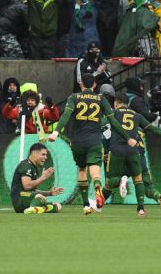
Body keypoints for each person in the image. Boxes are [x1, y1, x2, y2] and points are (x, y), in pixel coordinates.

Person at [47, 73, 137, 215]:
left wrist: (56, 132)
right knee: (95, 171)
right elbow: (113, 121)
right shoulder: (101, 99)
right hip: (94, 141)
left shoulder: (74, 97)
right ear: (95, 85)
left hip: (78, 141)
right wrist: (127, 138)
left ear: (81, 84)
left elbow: (66, 115)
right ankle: (97, 187)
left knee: (82, 170)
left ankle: (85, 205)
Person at [102, 92, 161, 216]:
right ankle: (143, 207)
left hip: (118, 151)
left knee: (110, 181)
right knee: (140, 181)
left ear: (115, 103)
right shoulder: (137, 116)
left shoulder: (113, 114)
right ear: (128, 104)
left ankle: (101, 201)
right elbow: (154, 129)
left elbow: (101, 125)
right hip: (136, 153)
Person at [10, 142, 63, 214]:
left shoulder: (33, 167)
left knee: (58, 205)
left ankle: (35, 210)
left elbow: (33, 191)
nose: (46, 157)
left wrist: (50, 193)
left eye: (46, 155)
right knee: (40, 197)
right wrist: (43, 178)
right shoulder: (25, 165)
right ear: (34, 153)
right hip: (20, 197)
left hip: (28, 197)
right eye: (43, 154)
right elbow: (27, 186)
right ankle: (33, 208)